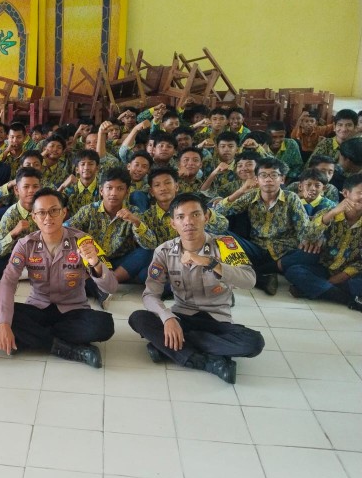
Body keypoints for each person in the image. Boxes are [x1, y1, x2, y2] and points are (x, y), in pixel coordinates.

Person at [128, 193, 265, 384]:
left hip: (217, 320)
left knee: (254, 342)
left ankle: (171, 349)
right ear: (172, 223)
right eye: (181, 217)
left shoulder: (226, 245)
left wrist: (210, 263)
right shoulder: (164, 251)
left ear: (206, 217)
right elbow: (151, 294)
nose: (188, 222)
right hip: (182, 317)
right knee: (138, 318)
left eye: (195, 215)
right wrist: (167, 317)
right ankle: (209, 361)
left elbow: (249, 280)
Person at [0, 188, 116, 368]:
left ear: (64, 212)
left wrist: (95, 263)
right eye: (41, 212)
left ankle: (36, 339)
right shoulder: (25, 245)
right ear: (33, 217)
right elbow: (8, 282)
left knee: (104, 326)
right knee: (1, 315)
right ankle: (69, 349)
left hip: (73, 310)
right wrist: (4, 324)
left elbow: (112, 287)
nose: (48, 217)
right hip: (38, 307)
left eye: (54, 211)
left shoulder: (83, 241)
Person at [214, 157, 321, 295]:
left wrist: (312, 240)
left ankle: (255, 272)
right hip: (256, 249)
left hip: (284, 252)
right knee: (217, 231)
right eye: (263, 175)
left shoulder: (291, 198)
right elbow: (218, 212)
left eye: (274, 175)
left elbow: (303, 229)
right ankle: (262, 275)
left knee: (311, 253)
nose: (268, 179)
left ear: (282, 179)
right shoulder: (251, 196)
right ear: (257, 179)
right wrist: (241, 190)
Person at [284, 173, 362, 310]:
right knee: (294, 271)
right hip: (324, 268)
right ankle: (347, 299)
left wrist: (340, 277)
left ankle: (316, 289)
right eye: (360, 193)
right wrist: (331, 214)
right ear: (345, 193)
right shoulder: (328, 212)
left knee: (358, 284)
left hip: (352, 275)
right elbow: (308, 236)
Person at [0, 167, 42, 283]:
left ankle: (15, 274)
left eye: (35, 186)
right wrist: (13, 233)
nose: (31, 190)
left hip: (40, 256)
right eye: (26, 187)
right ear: (17, 190)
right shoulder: (10, 214)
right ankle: (28, 274)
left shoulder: (44, 210)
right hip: (17, 258)